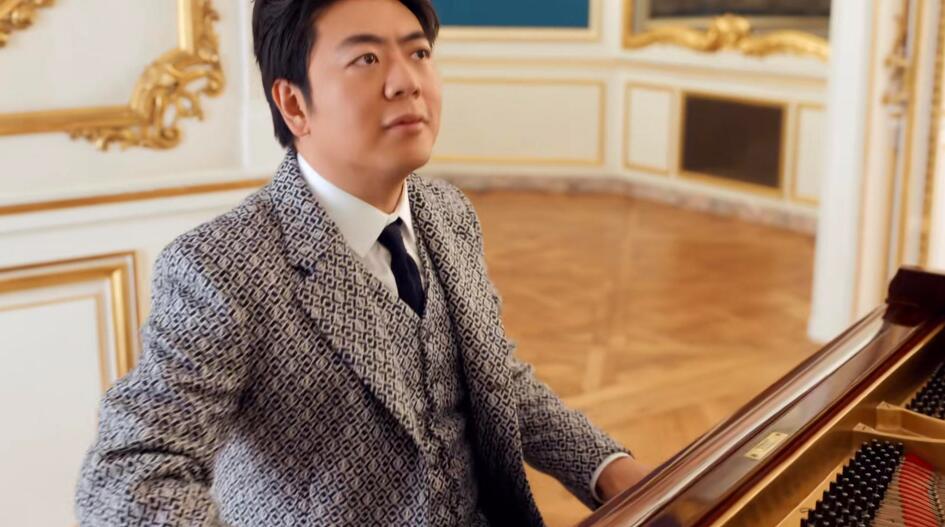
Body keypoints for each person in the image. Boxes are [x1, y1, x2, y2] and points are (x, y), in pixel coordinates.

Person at [75, 0, 648, 525]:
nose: (407, 81)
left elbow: (496, 377)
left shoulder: (450, 213)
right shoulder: (218, 268)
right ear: (294, 104)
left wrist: (606, 467)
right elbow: (127, 475)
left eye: (418, 53)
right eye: (367, 59)